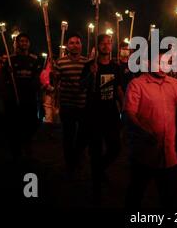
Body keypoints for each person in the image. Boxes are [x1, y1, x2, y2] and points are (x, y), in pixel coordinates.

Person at [123, 48, 177, 209]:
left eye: (167, 63)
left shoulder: (175, 84)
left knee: (171, 198)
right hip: (144, 153)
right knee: (136, 194)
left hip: (169, 154)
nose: (163, 66)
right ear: (147, 63)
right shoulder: (137, 85)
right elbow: (128, 114)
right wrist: (143, 132)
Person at [81, 34, 124, 202]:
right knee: (96, 151)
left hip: (111, 114)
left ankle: (100, 169)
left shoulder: (115, 67)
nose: (106, 45)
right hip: (93, 115)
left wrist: (125, 106)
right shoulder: (90, 66)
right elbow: (81, 86)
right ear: (97, 46)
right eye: (102, 43)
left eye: (109, 42)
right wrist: (90, 74)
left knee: (115, 148)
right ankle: (96, 186)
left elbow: (119, 88)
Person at [53, 32, 88, 175]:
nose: (74, 45)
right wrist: (53, 77)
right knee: (68, 136)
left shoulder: (87, 62)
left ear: (81, 45)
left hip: (83, 105)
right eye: (72, 43)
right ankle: (70, 163)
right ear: (67, 46)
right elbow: (55, 82)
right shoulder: (60, 62)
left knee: (83, 135)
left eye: (77, 42)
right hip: (67, 105)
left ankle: (78, 155)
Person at [6, 33, 42, 160]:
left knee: (30, 126)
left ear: (29, 43)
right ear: (17, 43)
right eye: (21, 41)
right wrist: (8, 72)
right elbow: (5, 79)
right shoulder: (10, 59)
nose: (24, 43)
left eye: (26, 41)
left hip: (29, 99)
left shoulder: (34, 59)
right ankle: (16, 153)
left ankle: (28, 151)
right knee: (15, 127)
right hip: (14, 99)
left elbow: (37, 77)